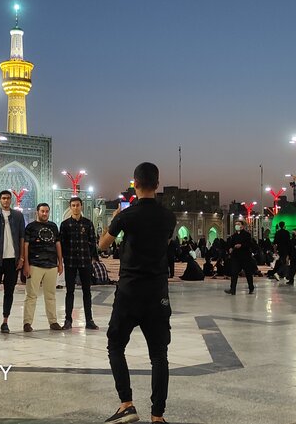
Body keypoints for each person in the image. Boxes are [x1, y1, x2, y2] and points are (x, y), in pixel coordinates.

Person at [98, 162, 176, 424]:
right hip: (157, 293)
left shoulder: (126, 215)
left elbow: (102, 245)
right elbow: (164, 244)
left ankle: (127, 404)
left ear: (135, 183)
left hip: (130, 291)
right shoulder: (168, 217)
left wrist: (115, 223)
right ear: (157, 183)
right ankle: (158, 416)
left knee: (116, 346)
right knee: (159, 355)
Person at [0, 190, 25, 334]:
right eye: (3, 198)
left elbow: (22, 238)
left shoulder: (18, 216)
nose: (6, 201)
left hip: (12, 261)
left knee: (9, 292)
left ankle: (5, 321)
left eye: (8, 198)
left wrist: (21, 258)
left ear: (11, 200)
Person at [59, 196, 99, 330]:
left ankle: (89, 320)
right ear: (70, 208)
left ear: (81, 206)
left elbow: (93, 242)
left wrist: (91, 256)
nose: (76, 208)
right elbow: (62, 243)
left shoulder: (88, 223)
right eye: (73, 206)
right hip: (70, 262)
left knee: (86, 291)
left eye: (78, 205)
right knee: (69, 291)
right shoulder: (65, 225)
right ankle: (68, 320)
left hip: (84, 262)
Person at [23, 202, 64, 332]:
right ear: (37, 212)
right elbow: (26, 246)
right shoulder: (30, 227)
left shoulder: (53, 226)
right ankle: (27, 323)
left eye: (47, 211)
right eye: (42, 211)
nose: (45, 214)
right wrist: (26, 264)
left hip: (51, 264)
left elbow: (58, 244)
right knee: (31, 295)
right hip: (35, 265)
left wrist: (60, 262)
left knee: (51, 295)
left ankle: (53, 322)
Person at [224, 220, 255, 295]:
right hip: (236, 257)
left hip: (245, 257)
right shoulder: (234, 236)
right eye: (236, 224)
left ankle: (251, 288)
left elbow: (249, 244)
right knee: (234, 273)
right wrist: (230, 248)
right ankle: (232, 289)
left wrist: (241, 245)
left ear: (242, 226)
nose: (236, 226)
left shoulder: (247, 235)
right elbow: (231, 245)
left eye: (238, 224)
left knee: (248, 273)